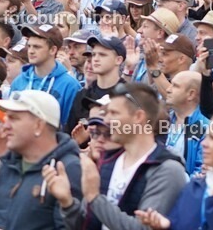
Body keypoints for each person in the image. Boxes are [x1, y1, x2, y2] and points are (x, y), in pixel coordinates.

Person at [66, 82, 187, 230]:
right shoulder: (107, 160)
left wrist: (95, 198)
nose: (107, 121)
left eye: (114, 113)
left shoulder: (167, 169)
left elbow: (143, 228)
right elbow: (86, 223)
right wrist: (67, 203)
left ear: (138, 117)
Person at [0, 89, 82, 230]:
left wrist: (68, 204)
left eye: (14, 118)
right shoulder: (6, 165)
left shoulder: (67, 168)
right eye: (6, 118)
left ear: (39, 125)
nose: (5, 126)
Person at [8, 23, 82, 130]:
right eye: (29, 46)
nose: (31, 51)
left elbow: (69, 128)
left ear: (53, 50)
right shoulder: (19, 81)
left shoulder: (70, 85)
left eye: (37, 47)